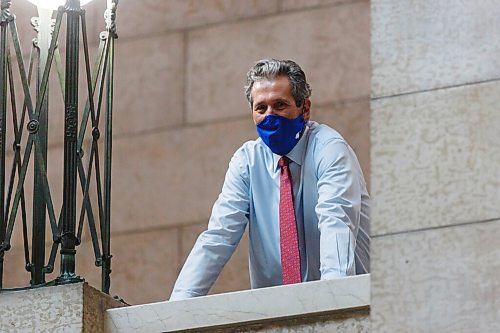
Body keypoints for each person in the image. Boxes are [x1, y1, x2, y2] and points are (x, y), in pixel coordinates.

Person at [169, 59, 370, 301]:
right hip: (277, 312)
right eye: (261, 108)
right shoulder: (247, 161)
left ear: (305, 109)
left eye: (280, 105)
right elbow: (219, 236)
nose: (269, 116)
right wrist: (178, 307)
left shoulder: (329, 150)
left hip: (351, 305)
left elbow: (336, 221)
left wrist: (331, 302)